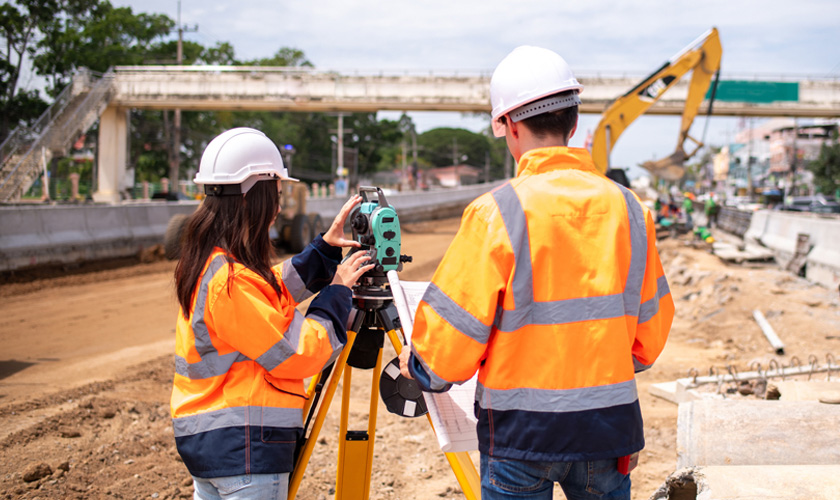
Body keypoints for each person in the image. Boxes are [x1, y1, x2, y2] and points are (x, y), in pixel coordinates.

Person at [399, 46, 674, 500]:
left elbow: (450, 344)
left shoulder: (496, 213)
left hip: (520, 439)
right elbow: (650, 335)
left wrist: (423, 368)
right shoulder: (631, 209)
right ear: (574, 121)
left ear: (507, 124)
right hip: (609, 431)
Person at [170, 127, 374, 499]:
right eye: (276, 195)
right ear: (252, 199)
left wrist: (324, 250)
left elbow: (268, 293)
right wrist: (338, 293)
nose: (279, 207)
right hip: (243, 448)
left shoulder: (214, 265)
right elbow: (298, 353)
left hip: (213, 444)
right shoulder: (230, 282)